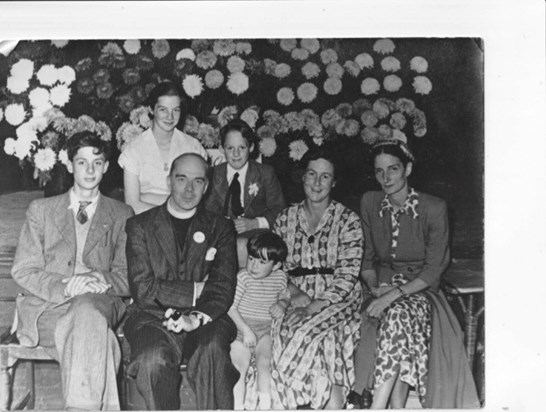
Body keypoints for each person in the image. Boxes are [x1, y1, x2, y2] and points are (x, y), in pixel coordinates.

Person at [347, 139, 479, 409]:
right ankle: (394, 406)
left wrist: (391, 297)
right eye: (379, 171)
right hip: (378, 288)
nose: (386, 178)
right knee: (391, 322)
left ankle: (377, 406)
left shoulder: (433, 207)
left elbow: (434, 269)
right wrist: (374, 288)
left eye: (393, 169)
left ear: (407, 169)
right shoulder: (370, 202)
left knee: (397, 315)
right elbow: (367, 257)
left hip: (420, 292)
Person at [10, 131, 133, 410]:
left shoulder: (122, 213)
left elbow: (129, 276)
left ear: (106, 166)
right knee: (97, 337)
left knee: (88, 312)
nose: (90, 170)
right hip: (48, 307)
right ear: (68, 165)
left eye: (97, 162)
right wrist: (66, 285)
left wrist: (100, 278)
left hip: (100, 301)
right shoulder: (41, 210)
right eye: (82, 162)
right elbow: (24, 269)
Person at [123, 153, 240, 410]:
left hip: (207, 318)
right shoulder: (139, 226)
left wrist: (196, 315)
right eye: (181, 179)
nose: (189, 189)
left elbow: (222, 288)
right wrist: (198, 289)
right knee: (151, 360)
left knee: (212, 351)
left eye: (198, 181)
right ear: (169, 181)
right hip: (153, 318)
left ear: (206, 186)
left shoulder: (221, 228)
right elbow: (144, 290)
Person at [271, 148, 363, 410]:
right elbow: (277, 268)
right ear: (303, 177)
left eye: (325, 177)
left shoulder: (348, 220)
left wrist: (314, 306)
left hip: (338, 296)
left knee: (305, 329)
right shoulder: (285, 218)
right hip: (294, 291)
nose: (317, 183)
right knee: (292, 331)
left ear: (334, 182)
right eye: (312, 174)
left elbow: (347, 276)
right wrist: (295, 292)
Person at [204, 119, 286, 266]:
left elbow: (280, 209)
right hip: (221, 233)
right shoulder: (212, 174)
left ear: (251, 147)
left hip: (256, 235)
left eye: (242, 147)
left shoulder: (265, 173)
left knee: (241, 244)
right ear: (221, 149)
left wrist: (254, 223)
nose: (236, 154)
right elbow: (206, 212)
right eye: (230, 148)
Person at [118, 81, 207, 214]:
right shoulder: (134, 150)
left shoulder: (193, 147)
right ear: (151, 109)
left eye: (175, 110)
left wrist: (147, 197)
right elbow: (132, 205)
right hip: (147, 222)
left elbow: (198, 198)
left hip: (186, 222)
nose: (170, 117)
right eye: (163, 110)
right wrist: (176, 208)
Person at [228, 231, 290, 410]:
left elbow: (285, 296)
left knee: (265, 364)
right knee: (239, 367)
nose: (254, 266)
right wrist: (246, 330)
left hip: (266, 330)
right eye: (251, 259)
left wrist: (282, 304)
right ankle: (237, 407)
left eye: (262, 262)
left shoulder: (280, 278)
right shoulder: (243, 278)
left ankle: (265, 406)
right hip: (241, 329)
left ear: (277, 265)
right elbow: (230, 307)